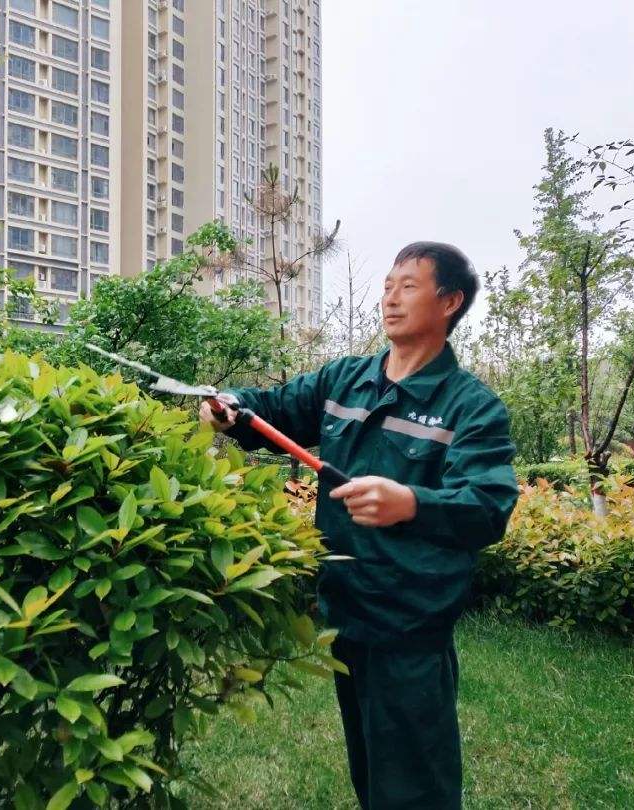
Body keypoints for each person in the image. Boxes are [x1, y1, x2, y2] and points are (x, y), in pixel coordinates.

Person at [201, 242, 518, 809]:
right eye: (388, 284)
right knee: (372, 774)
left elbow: (488, 504)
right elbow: (271, 406)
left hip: (409, 626)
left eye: (409, 286)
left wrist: (412, 502)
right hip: (346, 614)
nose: (390, 298)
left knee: (414, 788)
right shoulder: (346, 379)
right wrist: (231, 407)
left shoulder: (472, 407)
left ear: (449, 301)